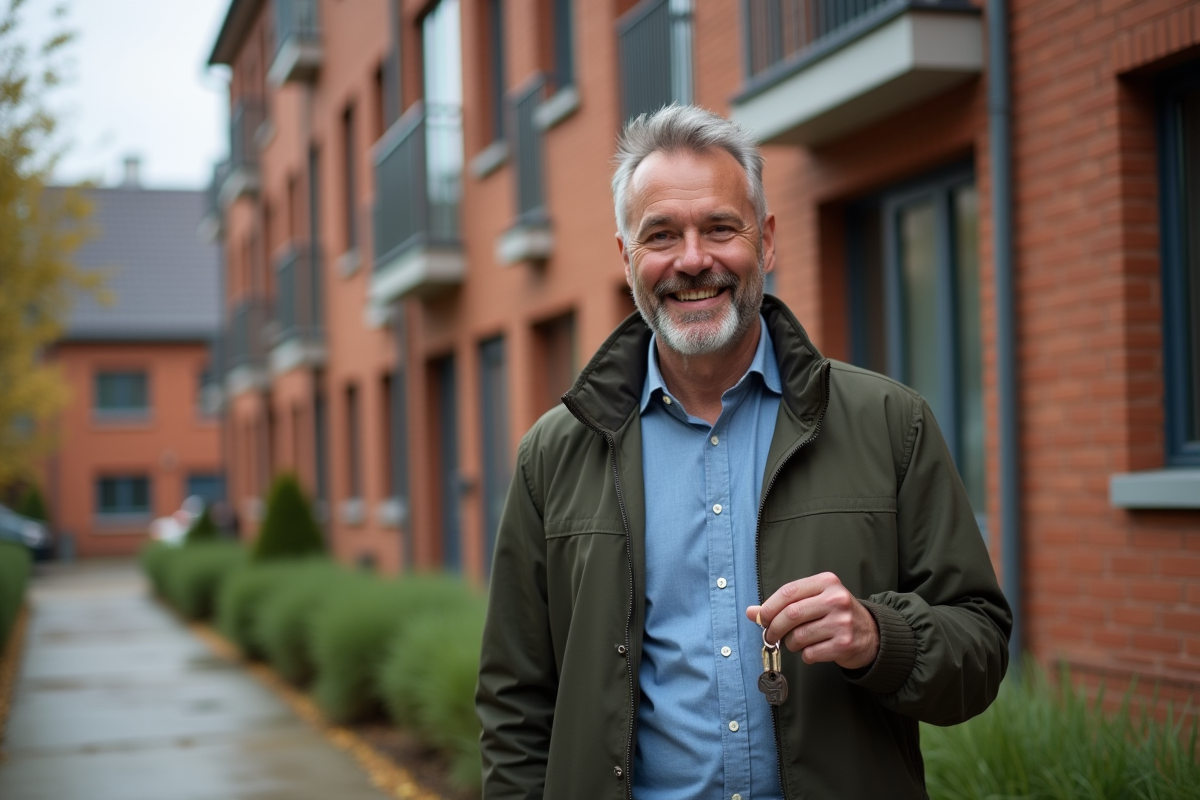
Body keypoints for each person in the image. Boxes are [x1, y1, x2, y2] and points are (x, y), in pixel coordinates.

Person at [476, 105, 1011, 800]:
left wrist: (880, 637)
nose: (693, 259)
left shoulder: (890, 422)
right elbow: (516, 703)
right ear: (626, 258)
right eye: (661, 234)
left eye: (720, 228)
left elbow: (981, 648)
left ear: (767, 241)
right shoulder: (553, 454)